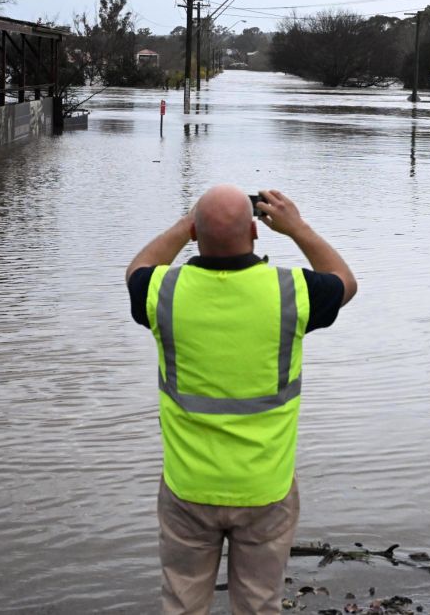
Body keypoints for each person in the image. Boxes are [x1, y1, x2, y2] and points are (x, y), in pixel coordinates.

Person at [126, 185, 357, 615]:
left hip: (188, 486)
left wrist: (183, 227)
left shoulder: (163, 292)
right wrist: (296, 228)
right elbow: (346, 281)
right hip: (265, 488)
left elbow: (136, 269)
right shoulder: (292, 292)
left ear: (196, 231)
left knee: (181, 603)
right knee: (258, 605)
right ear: (255, 230)